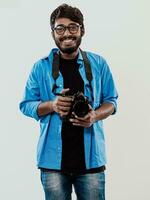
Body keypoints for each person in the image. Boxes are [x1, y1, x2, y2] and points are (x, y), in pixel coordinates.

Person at [19, 3, 118, 200]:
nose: (67, 34)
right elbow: (26, 105)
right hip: (53, 163)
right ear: (53, 32)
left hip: (91, 161)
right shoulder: (40, 68)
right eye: (60, 28)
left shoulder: (99, 64)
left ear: (82, 29)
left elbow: (112, 101)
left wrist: (94, 116)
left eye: (73, 27)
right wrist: (52, 105)